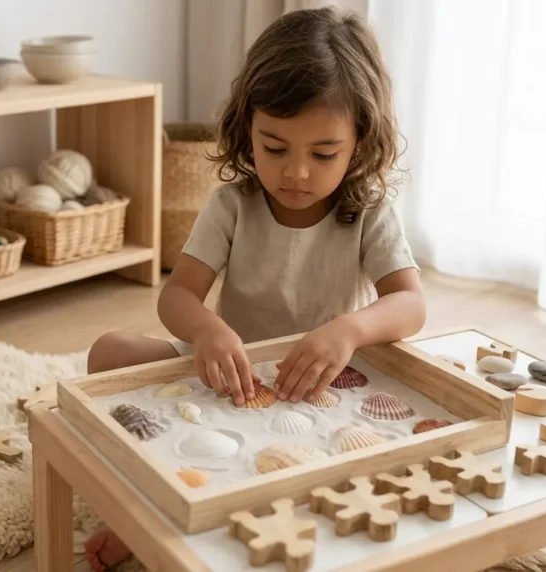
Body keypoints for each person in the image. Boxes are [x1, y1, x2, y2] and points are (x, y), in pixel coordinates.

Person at [83, 7, 426, 568]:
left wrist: (348, 330)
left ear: (360, 142)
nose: (297, 173)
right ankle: (141, 509)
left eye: (323, 154)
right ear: (247, 129)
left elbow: (410, 304)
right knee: (108, 353)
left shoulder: (369, 211)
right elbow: (177, 295)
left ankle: (168, 518)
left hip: (320, 388)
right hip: (228, 378)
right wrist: (207, 330)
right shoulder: (233, 204)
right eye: (274, 148)